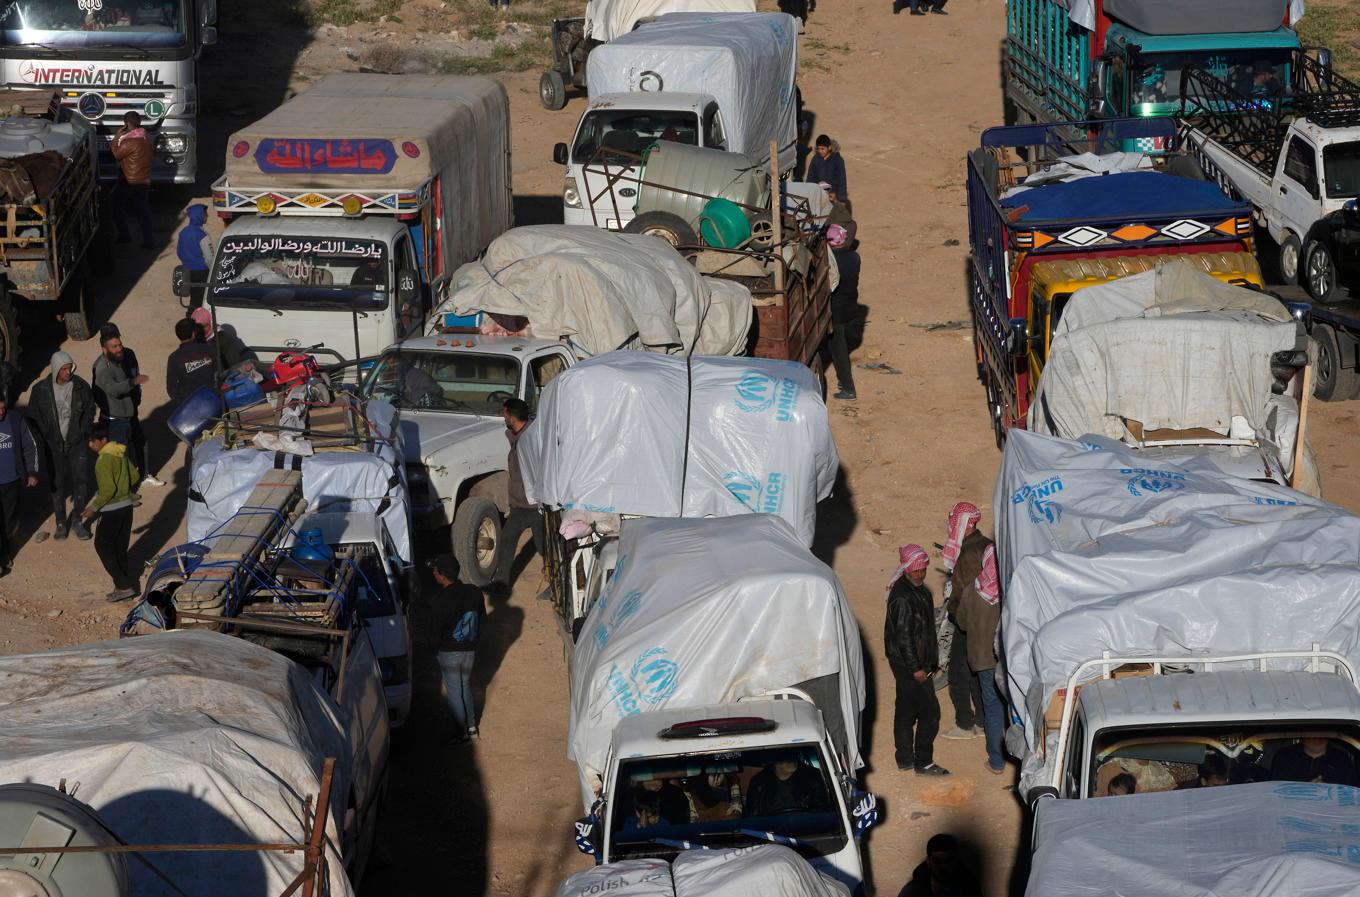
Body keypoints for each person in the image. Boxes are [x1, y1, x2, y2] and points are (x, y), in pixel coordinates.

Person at [946, 503, 1005, 775]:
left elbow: (963, 617)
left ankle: (985, 745)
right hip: (1002, 652)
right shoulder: (1007, 593)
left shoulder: (973, 587)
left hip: (979, 650)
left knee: (983, 694)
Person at [885, 544, 949, 776]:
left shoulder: (919, 590)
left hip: (913, 662)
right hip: (910, 665)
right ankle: (924, 762)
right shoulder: (903, 598)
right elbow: (904, 638)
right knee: (930, 713)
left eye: (923, 570)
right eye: (915, 570)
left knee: (905, 708)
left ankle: (904, 758)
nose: (920, 574)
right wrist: (916, 668)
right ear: (905, 569)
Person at [27, 351, 95, 542]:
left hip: (77, 442)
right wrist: (44, 436)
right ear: (56, 369)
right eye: (64, 369)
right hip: (53, 444)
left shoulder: (81, 386)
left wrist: (83, 431)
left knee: (81, 480)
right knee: (57, 483)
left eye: (70, 368)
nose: (68, 372)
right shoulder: (40, 390)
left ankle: (77, 522)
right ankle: (60, 522)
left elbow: (90, 409)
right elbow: (32, 416)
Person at [92, 325, 162, 487]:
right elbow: (107, 390)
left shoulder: (128, 354)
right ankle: (125, 490)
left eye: (119, 343)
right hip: (114, 417)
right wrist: (131, 384)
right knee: (120, 454)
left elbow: (135, 373)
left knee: (141, 443)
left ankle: (144, 475)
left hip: (130, 411)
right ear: (104, 347)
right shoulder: (101, 367)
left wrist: (135, 398)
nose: (119, 348)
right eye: (114, 345)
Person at [940, 502, 984, 741]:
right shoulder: (984, 544)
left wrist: (954, 614)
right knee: (978, 672)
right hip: (983, 620)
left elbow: (963, 591)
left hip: (967, 621)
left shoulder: (969, 552)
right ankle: (982, 721)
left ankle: (965, 724)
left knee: (958, 673)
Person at [82, 422, 139, 601]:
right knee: (119, 549)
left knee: (103, 546)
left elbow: (107, 490)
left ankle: (124, 587)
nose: (90, 445)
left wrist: (93, 507)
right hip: (126, 508)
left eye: (93, 441)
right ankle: (123, 587)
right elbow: (135, 475)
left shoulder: (103, 460)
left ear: (103, 440)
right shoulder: (120, 453)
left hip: (112, 510)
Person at [492, 398, 544, 595]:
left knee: (544, 549)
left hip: (536, 505)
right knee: (507, 542)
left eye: (505, 414)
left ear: (512, 416)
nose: (503, 417)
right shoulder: (517, 436)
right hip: (519, 505)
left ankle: (557, 586)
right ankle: (501, 584)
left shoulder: (531, 438)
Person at [432, 553, 485, 743]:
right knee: (465, 686)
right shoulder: (474, 592)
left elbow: (435, 631)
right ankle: (472, 728)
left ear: (442, 575)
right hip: (469, 651)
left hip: (449, 652)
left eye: (435, 571)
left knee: (454, 692)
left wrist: (435, 650)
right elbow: (481, 620)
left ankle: (459, 731)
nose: (433, 573)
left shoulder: (440, 600)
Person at [0, 394, 38, 575]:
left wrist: (31, 471)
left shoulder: (15, 420)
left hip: (11, 482)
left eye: (2, 408)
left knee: (7, 522)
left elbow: (30, 446)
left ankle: (4, 555)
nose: (1, 412)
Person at [110, 111, 153, 249]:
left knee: (115, 206)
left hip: (129, 180)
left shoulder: (130, 141)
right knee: (142, 211)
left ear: (127, 123)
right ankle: (149, 240)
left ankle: (125, 235)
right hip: (144, 179)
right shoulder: (146, 137)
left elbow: (116, 154)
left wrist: (116, 138)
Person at [827, 223, 860, 401]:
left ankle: (848, 388)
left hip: (836, 313)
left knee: (839, 351)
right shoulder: (854, 257)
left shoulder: (832, 263)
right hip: (849, 307)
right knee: (839, 346)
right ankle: (843, 381)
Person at [897, 833, 982, 897]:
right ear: (928, 861)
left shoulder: (969, 887)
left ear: (956, 861)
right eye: (937, 861)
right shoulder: (913, 891)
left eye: (949, 860)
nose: (943, 867)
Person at [745, 755, 830, 817]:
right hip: (772, 836)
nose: (790, 759)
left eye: (792, 753)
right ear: (774, 761)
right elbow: (753, 820)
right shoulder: (758, 782)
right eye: (783, 754)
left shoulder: (812, 776)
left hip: (807, 833)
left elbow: (821, 813)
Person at [166, 317, 218, 408]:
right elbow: (220, 372)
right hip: (213, 402)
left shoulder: (174, 357)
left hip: (189, 407)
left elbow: (171, 388)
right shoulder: (209, 349)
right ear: (194, 334)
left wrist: (182, 405)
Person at [1271, 737, 1360, 786]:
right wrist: (1305, 790)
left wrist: (1329, 790)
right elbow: (1274, 791)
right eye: (1312, 734)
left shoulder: (1342, 759)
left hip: (1333, 815)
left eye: (1322, 733)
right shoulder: (1284, 756)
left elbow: (1352, 793)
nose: (1317, 738)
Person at [190, 307, 257, 372]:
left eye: (204, 326)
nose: (201, 330)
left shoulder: (222, 338)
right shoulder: (193, 339)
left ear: (211, 323)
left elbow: (234, 365)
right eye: (197, 327)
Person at [175, 204, 213, 307]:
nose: (207, 216)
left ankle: (192, 316)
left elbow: (179, 252)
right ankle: (193, 318)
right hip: (202, 272)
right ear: (199, 215)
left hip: (187, 271)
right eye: (205, 214)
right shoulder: (202, 234)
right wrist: (213, 271)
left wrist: (187, 262)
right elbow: (209, 258)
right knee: (202, 300)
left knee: (195, 297)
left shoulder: (183, 232)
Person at [805, 136, 847, 207]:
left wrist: (841, 199)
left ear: (829, 147)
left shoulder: (838, 160)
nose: (820, 151)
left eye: (823, 149)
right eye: (819, 149)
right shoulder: (816, 159)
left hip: (834, 195)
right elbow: (811, 177)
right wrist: (809, 193)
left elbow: (842, 180)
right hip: (818, 193)